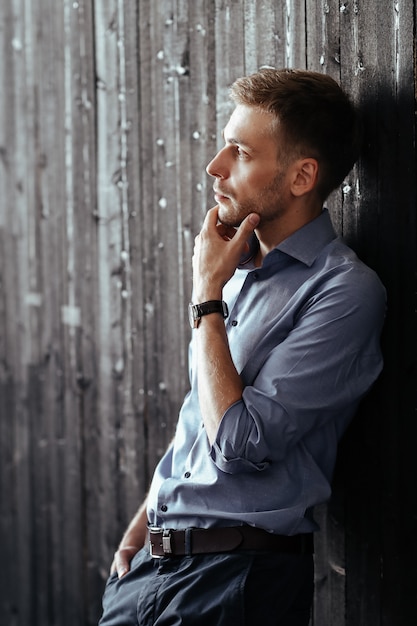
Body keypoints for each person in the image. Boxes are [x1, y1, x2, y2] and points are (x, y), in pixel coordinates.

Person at [99, 68, 386, 626]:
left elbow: (238, 443)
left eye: (240, 152)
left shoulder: (343, 291)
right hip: (150, 572)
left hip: (235, 585)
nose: (216, 167)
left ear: (303, 176)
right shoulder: (234, 272)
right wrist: (148, 522)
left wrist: (205, 296)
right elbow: (201, 416)